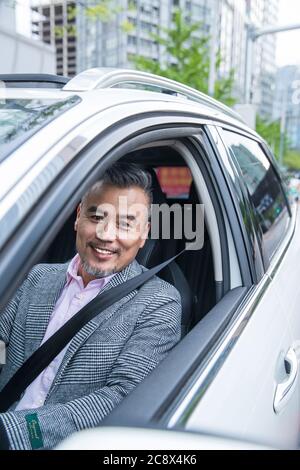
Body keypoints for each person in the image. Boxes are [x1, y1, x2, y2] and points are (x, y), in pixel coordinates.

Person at [0, 162, 182, 450]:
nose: (106, 235)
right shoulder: (38, 276)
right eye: (96, 216)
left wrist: (13, 432)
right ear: (77, 217)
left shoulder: (159, 302)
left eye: (125, 224)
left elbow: (123, 397)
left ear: (144, 233)